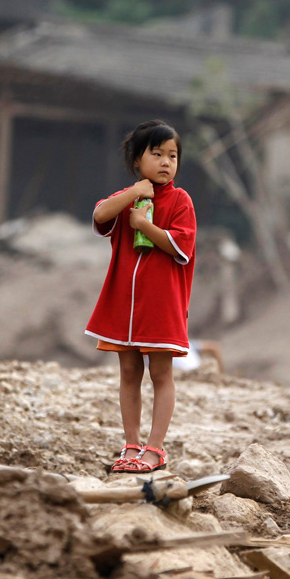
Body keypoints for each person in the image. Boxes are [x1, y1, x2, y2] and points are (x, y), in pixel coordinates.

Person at [86, 120, 196, 473]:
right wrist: (135, 193)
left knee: (161, 374)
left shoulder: (180, 200)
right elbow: (100, 215)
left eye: (173, 156)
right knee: (129, 372)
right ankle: (131, 446)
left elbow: (181, 246)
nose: (166, 162)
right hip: (124, 304)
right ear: (137, 160)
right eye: (157, 154)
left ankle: (155, 449)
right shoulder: (126, 199)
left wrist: (145, 226)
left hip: (161, 306)